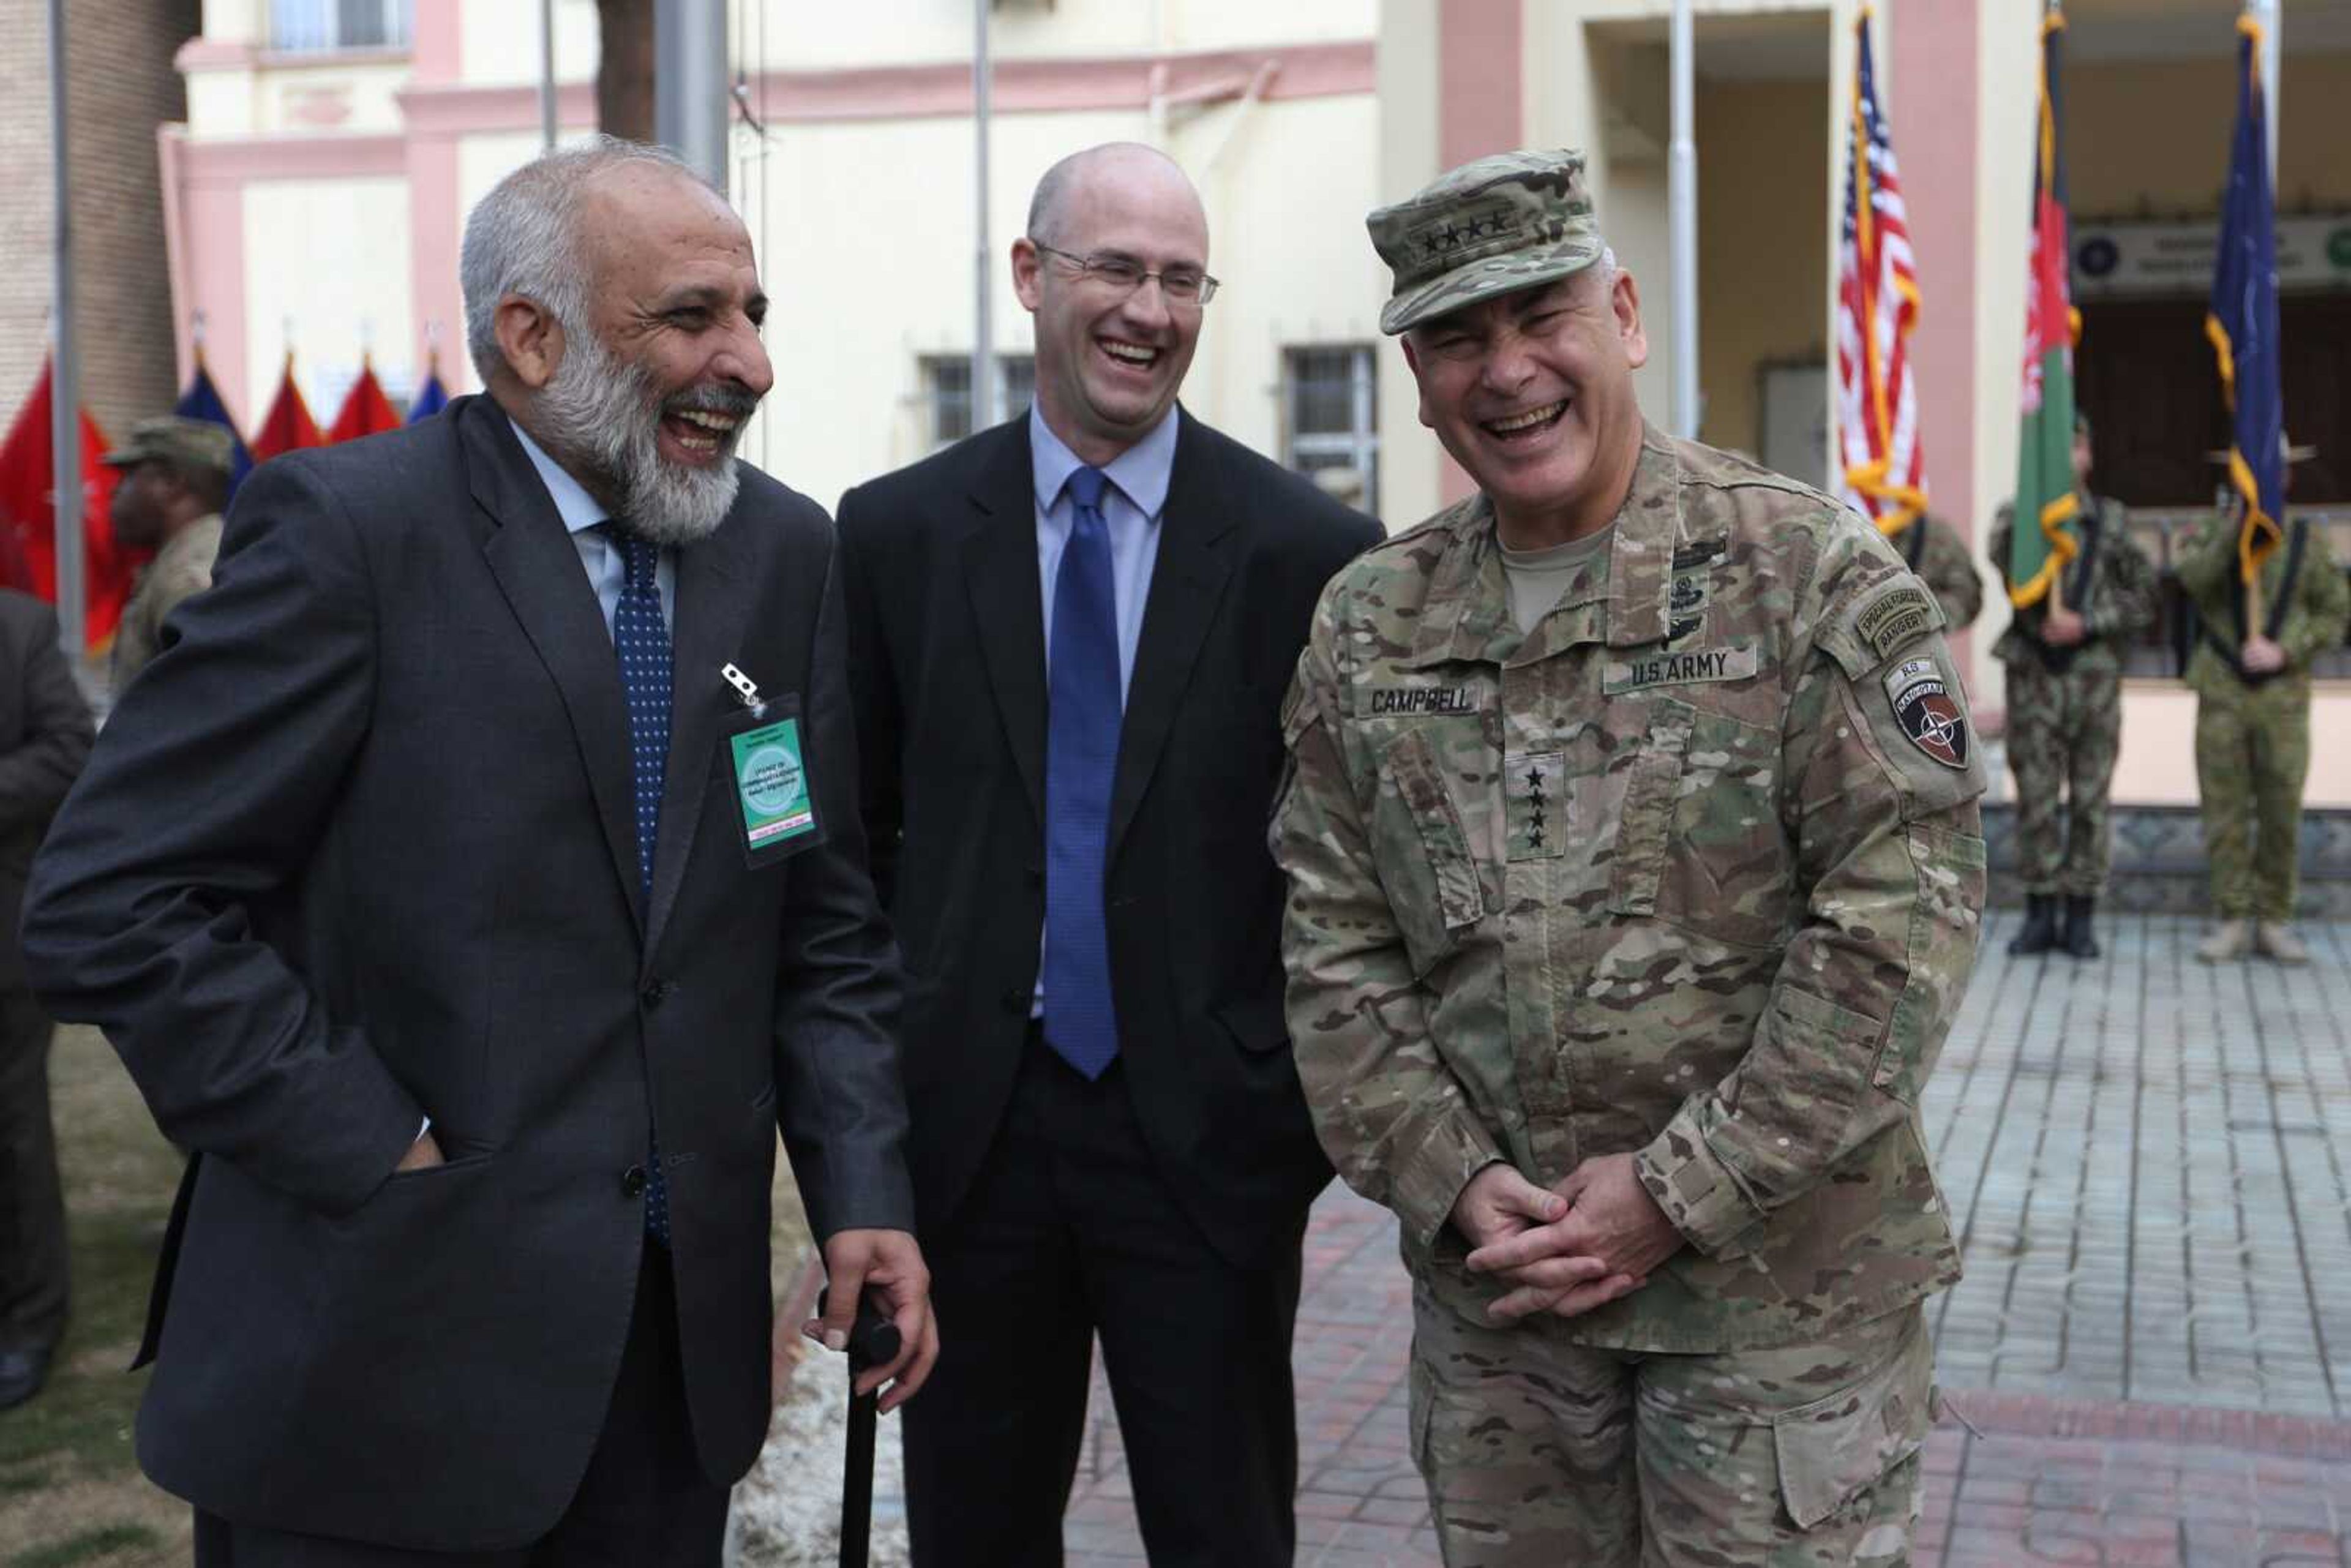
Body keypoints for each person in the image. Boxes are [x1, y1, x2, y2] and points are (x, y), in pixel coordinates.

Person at [20, 137, 934, 1565]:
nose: (749, 362)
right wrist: (372, 1134)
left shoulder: (782, 553)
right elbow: (110, 898)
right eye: (694, 315)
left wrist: (863, 1188)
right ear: (530, 334)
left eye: (755, 315)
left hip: (664, 1390)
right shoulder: (349, 533)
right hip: (376, 1362)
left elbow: (812, 915)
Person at [1273, 149, 1987, 1566]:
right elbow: (1330, 941)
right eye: (1456, 337)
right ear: (1416, 376)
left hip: (1777, 1316)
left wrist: (1676, 1190)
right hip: (1507, 1320)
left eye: (1543, 316)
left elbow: (1897, 929)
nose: (1507, 371)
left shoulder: (1809, 580)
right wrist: (1446, 1174)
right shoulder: (1369, 624)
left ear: (1626, 318)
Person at [836, 141, 1378, 1567]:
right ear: (1030, 277)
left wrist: (1283, 1110)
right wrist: (882, 1115)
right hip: (968, 1144)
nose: (1149, 308)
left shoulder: (1305, 551)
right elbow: (852, 841)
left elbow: (1349, 865)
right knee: (975, 1531)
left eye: (1181, 278)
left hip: (1205, 1144)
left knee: (1222, 1530)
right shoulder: (890, 537)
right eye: (1115, 269)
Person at [1987, 412, 2158, 959]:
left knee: (2089, 799)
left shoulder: (2113, 522)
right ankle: (2039, 911)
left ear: (2090, 455)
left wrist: (2089, 622)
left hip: (2093, 680)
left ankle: (2080, 914)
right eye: (2057, 449)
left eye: (2077, 447)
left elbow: (2145, 599)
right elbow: (2004, 562)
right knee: (2035, 797)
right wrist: (2038, 512)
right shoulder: (2018, 519)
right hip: (2034, 676)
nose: (2068, 459)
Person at [2175, 435, 2350, 964]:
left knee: (2280, 809)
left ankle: (2274, 918)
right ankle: (2232, 916)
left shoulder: (2307, 543)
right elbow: (2193, 581)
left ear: (2287, 479)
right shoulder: (2212, 534)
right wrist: (2233, 530)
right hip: (2223, 692)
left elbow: (2334, 615)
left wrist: (2285, 649)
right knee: (2224, 810)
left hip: (2282, 697)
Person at [0, 590, 92, 1411]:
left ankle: (29, 1322)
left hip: (2, 939)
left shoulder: (18, 628)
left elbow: (68, 750)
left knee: (12, 1131)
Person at [102, 417, 234, 691]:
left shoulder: (188, 577)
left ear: (171, 483)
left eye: (129, 476)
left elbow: (212, 694)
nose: (115, 490)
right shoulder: (188, 559)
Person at [1892, 509, 1983, 636]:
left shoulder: (1930, 532)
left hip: (1915, 648)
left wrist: (1921, 623)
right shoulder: (1856, 527)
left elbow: (1967, 595)